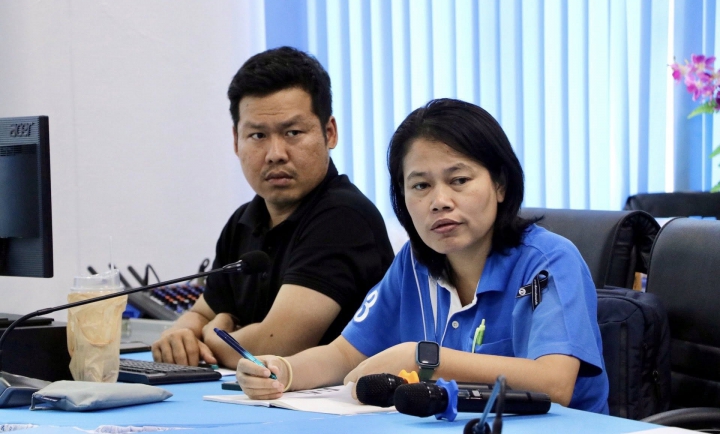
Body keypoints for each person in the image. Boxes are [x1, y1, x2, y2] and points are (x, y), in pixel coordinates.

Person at [236, 98, 610, 413]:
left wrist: (424, 358)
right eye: (420, 185)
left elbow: (555, 383)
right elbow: (344, 355)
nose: (439, 201)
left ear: (500, 184)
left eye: (459, 180)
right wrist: (281, 370)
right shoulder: (414, 264)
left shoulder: (546, 264)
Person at [152, 47, 395, 368]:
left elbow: (277, 345)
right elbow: (203, 313)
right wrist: (181, 332)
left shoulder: (344, 216)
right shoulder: (243, 221)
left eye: (293, 133)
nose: (275, 153)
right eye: (258, 135)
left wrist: (213, 337)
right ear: (236, 141)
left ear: (329, 133)